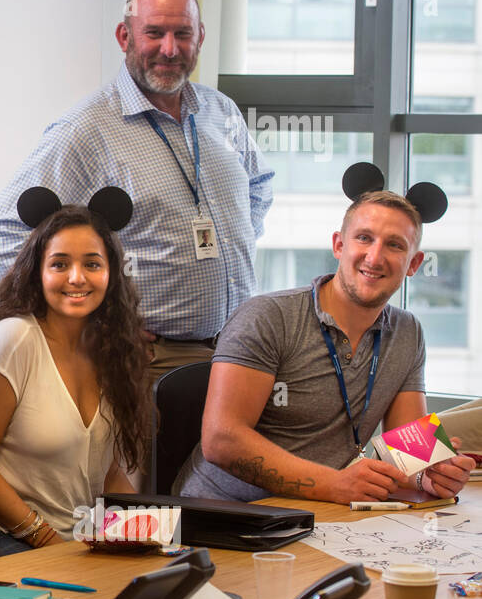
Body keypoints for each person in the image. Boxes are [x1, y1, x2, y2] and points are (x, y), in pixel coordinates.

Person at [0, 0, 274, 387]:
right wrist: (93, 318)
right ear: (125, 36)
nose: (170, 49)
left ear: (201, 37)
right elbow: (0, 234)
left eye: (183, 34)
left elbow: (259, 187)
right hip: (149, 361)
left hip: (239, 351)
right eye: (154, 33)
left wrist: (232, 239)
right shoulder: (87, 129)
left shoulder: (219, 110)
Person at [175, 187, 476, 503]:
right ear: (338, 245)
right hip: (224, 512)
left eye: (394, 245)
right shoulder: (268, 316)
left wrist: (427, 474)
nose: (374, 257)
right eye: (364, 238)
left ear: (414, 264)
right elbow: (221, 440)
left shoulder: (407, 331)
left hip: (319, 514)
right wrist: (334, 485)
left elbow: (409, 451)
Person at [0, 200, 147, 553]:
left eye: (92, 264)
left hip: (79, 542)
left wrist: (142, 538)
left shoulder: (112, 349)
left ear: (112, 273)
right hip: (8, 538)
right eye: (60, 264)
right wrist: (46, 540)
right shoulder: (12, 339)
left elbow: (112, 475)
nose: (77, 277)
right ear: (37, 272)